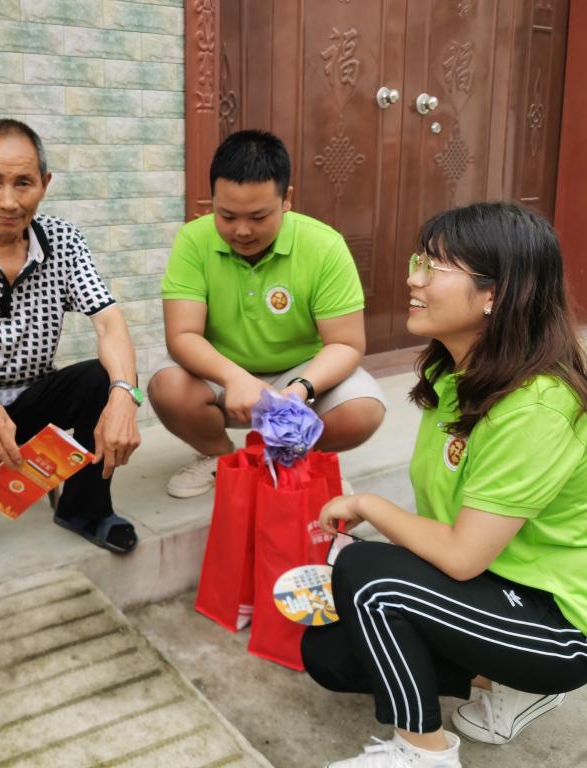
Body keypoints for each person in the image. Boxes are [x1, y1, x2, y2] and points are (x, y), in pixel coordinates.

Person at [303, 202, 587, 768]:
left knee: (369, 577)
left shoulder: (536, 408)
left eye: (433, 268)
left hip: (558, 623)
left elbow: (460, 556)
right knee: (330, 652)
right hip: (495, 578)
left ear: (494, 294)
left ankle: (424, 753)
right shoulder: (453, 374)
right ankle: (505, 684)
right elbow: (452, 524)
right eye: (418, 262)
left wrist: (368, 504)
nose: (413, 279)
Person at [0, 119, 141, 587]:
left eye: (23, 183)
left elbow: (108, 321)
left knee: (101, 379)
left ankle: (85, 508)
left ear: (45, 184)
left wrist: (125, 395)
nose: (8, 201)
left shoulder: (64, 239)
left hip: (33, 396)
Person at [149, 129, 386, 498]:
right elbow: (182, 335)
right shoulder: (193, 240)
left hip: (299, 371)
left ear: (286, 199)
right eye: (226, 215)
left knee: (362, 410)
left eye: (259, 216)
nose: (242, 231)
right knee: (168, 388)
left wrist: (301, 389)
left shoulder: (324, 245)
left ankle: (294, 459)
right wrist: (234, 377)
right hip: (220, 373)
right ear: (213, 200)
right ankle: (221, 457)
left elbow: (346, 343)